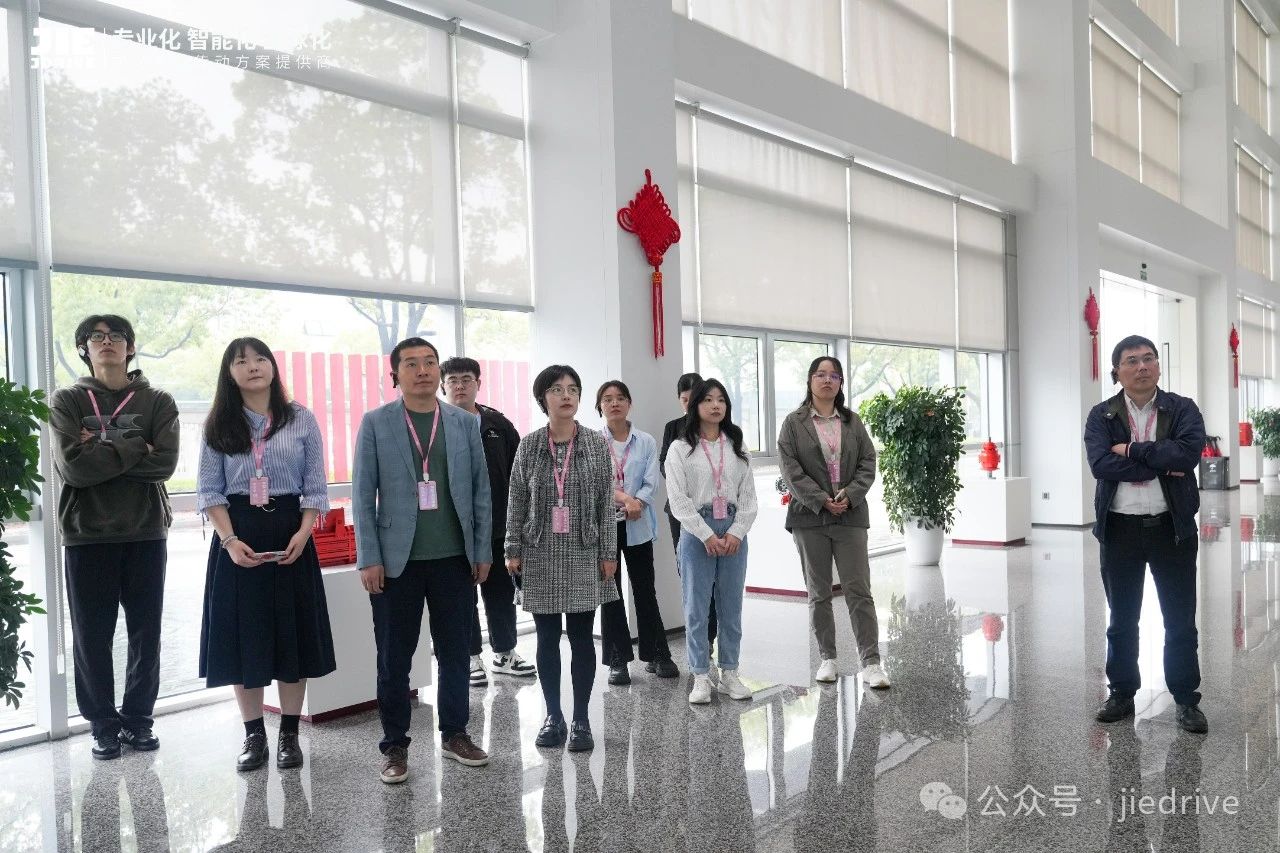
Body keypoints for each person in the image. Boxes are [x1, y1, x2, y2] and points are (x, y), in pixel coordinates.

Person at [353, 337, 494, 782]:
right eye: (411, 364)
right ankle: (394, 745)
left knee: (455, 652)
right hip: (396, 563)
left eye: (430, 362)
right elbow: (362, 495)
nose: (423, 370)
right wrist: (368, 557)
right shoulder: (376, 422)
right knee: (394, 659)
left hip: (454, 558)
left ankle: (455, 733)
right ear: (395, 374)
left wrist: (482, 550)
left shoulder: (462, 422)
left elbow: (481, 490)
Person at [197, 338, 336, 771]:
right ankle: (253, 734)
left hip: (292, 529)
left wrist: (305, 533)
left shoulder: (301, 418)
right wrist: (229, 541)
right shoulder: (218, 424)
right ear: (229, 372)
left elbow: (315, 485)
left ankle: (289, 735)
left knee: (292, 635)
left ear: (273, 368)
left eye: (260, 359)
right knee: (244, 638)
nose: (252, 366)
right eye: (241, 361)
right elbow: (209, 490)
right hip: (237, 534)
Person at [49, 315, 180, 760]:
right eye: (96, 337)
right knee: (92, 636)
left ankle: (138, 720)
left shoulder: (157, 400)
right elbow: (74, 468)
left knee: (146, 631)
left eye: (116, 336)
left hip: (146, 531)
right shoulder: (67, 400)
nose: (107, 342)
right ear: (84, 349)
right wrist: (137, 444)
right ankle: (103, 726)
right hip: (86, 533)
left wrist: (98, 445)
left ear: (130, 347)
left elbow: (164, 464)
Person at [1084, 334, 1207, 734]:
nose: (1142, 366)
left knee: (1180, 620)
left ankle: (1186, 700)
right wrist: (1158, 459)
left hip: (1172, 528)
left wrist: (1132, 450)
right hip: (1120, 529)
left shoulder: (1182, 408)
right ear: (1116, 372)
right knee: (1122, 619)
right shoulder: (1102, 415)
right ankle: (1121, 694)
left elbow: (1186, 456)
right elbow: (1101, 465)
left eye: (1148, 358)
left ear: (1158, 365)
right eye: (1132, 360)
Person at [505, 365, 618, 752]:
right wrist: (512, 548)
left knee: (583, 638)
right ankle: (553, 716)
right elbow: (516, 499)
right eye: (556, 389)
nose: (566, 395)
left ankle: (581, 719)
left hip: (585, 551)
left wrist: (608, 552)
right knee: (547, 638)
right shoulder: (529, 445)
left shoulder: (596, 444)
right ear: (543, 399)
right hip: (539, 553)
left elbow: (606, 504)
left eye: (572, 389)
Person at [777, 356, 890, 689]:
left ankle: (871, 662)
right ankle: (827, 658)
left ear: (841, 383)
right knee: (819, 592)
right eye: (820, 374)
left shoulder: (852, 421)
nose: (827, 380)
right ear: (810, 381)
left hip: (850, 515)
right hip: (809, 517)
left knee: (859, 591)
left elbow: (868, 461)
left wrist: (850, 495)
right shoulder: (793, 423)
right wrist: (820, 499)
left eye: (834, 376)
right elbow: (789, 468)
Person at [440, 356, 536, 687]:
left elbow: (521, 475)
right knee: (462, 597)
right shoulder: (437, 425)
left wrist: (521, 523)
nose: (460, 385)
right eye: (453, 380)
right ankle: (469, 656)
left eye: (466, 379)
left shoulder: (498, 425)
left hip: (497, 527)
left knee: (499, 593)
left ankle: (505, 653)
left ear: (478, 383)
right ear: (443, 386)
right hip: (454, 530)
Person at [664, 378, 758, 704]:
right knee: (696, 609)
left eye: (721, 400)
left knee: (731, 607)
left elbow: (748, 497)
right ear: (695, 405)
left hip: (733, 531)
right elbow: (677, 499)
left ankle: (729, 673)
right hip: (695, 532)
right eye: (708, 400)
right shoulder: (680, 449)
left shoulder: (737, 446)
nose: (715, 405)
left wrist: (736, 531)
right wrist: (705, 534)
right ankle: (701, 676)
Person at [596, 380, 679, 684]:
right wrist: (626, 499)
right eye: (607, 399)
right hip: (605, 526)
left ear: (629, 404)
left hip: (638, 523)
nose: (614, 403)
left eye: (620, 398)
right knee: (610, 592)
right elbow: (596, 484)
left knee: (645, 589)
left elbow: (651, 481)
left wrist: (637, 503)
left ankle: (657, 653)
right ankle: (617, 659)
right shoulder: (593, 442)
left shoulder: (645, 441)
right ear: (600, 407)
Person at [659, 372, 718, 672]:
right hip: (680, 511)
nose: (690, 404)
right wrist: (683, 484)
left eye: (695, 398)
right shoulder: (674, 428)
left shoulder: (718, 427)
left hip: (714, 510)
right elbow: (664, 465)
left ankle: (710, 637)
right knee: (689, 572)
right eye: (685, 400)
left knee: (715, 575)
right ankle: (697, 639)